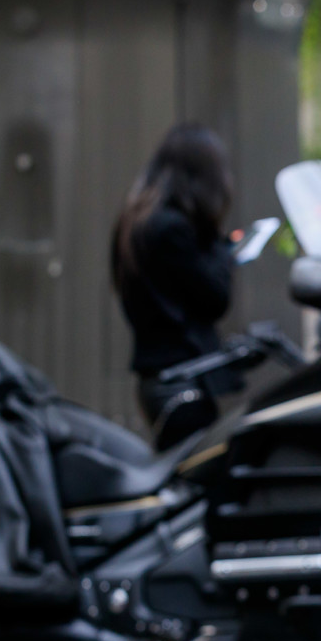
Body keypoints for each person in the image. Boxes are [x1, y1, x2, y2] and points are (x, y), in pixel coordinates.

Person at [111, 123, 239, 449]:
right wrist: (224, 250)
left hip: (160, 378)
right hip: (181, 379)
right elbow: (216, 297)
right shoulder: (171, 229)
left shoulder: (138, 219)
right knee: (199, 471)